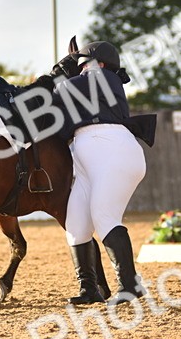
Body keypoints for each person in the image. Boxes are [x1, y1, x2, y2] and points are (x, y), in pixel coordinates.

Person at [48, 41, 154, 305]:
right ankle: (90, 289)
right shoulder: (89, 86)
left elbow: (63, 89)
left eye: (83, 65)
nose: (80, 70)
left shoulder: (103, 77)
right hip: (89, 161)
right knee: (76, 225)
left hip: (114, 152)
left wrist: (57, 74)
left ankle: (130, 286)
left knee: (104, 216)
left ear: (100, 64)